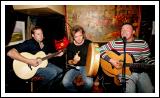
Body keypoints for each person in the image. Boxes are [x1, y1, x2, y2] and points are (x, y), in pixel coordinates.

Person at [99, 23, 154, 93]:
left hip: (141, 71)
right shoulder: (115, 43)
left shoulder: (142, 43)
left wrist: (153, 63)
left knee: (149, 91)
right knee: (129, 91)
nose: (124, 32)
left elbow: (148, 58)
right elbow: (98, 49)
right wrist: (110, 60)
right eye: (122, 30)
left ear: (133, 32)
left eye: (127, 30)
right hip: (124, 72)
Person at [7, 26, 64, 92]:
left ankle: (49, 86)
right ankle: (41, 89)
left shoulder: (44, 44)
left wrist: (56, 54)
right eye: (38, 34)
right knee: (53, 73)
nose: (41, 36)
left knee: (60, 72)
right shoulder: (29, 43)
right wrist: (29, 61)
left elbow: (46, 55)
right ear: (33, 35)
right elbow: (10, 53)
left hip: (43, 64)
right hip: (30, 68)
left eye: (42, 33)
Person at [62, 25, 93, 92]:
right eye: (76, 36)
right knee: (65, 82)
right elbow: (69, 61)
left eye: (80, 35)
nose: (78, 38)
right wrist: (74, 61)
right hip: (74, 67)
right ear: (73, 37)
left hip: (86, 67)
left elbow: (96, 53)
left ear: (83, 35)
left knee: (89, 83)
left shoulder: (89, 43)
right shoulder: (70, 46)